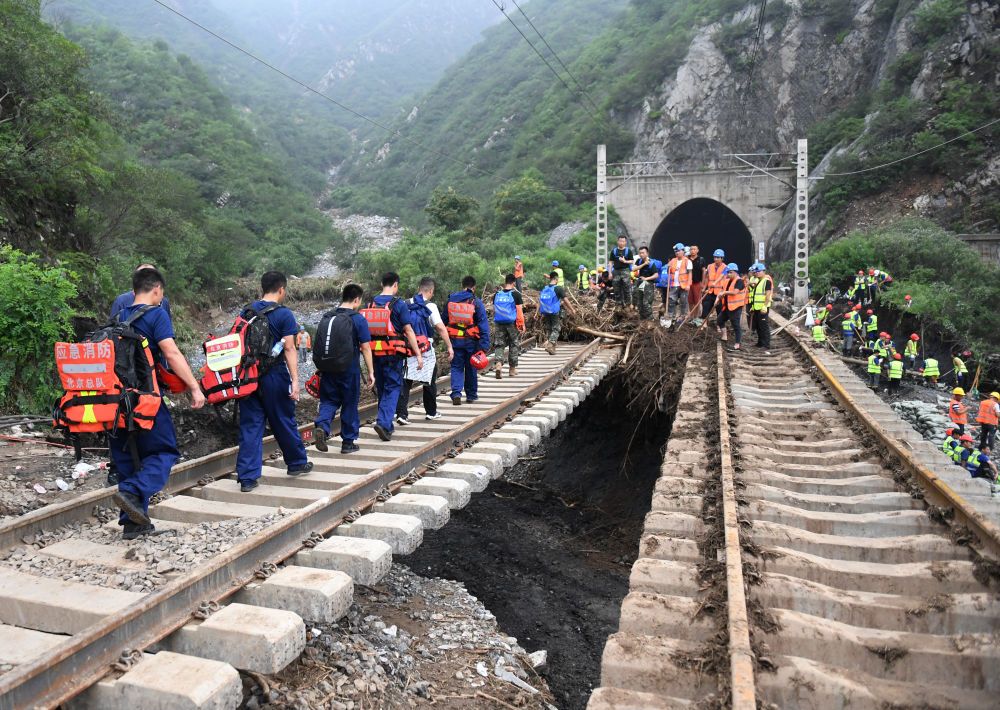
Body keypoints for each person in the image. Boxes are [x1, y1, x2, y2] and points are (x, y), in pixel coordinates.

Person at [109, 268, 204, 538]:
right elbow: (171, 353)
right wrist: (194, 387)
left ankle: (133, 524)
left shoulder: (116, 318)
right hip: (146, 401)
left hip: (117, 404)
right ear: (157, 289)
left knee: (129, 460)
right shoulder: (156, 314)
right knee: (164, 452)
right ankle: (132, 491)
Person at [236, 271, 312, 492]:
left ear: (262, 288)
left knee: (250, 425)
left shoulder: (246, 311)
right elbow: (289, 348)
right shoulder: (284, 315)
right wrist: (296, 381)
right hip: (274, 375)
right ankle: (296, 463)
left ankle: (248, 478)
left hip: (248, 375)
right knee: (282, 419)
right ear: (281, 289)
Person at [313, 284, 375, 454]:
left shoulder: (328, 316)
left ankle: (323, 425)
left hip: (327, 368)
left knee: (329, 401)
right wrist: (371, 372)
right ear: (356, 299)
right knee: (349, 403)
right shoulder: (357, 319)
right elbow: (366, 347)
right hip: (349, 369)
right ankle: (348, 442)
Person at [367, 272, 423, 441]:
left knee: (383, 388)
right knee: (393, 387)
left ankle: (387, 425)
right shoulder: (398, 304)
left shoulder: (371, 303)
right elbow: (408, 330)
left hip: (374, 353)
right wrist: (418, 355)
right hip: (392, 353)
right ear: (395, 285)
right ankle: (383, 423)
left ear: (382, 284)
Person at [396, 277, 454, 424]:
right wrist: (449, 346)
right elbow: (440, 328)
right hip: (425, 348)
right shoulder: (431, 306)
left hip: (408, 346)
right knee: (429, 380)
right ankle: (431, 412)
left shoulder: (405, 304)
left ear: (419, 288)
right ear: (430, 290)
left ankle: (402, 414)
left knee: (405, 380)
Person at [447, 276, 491, 405]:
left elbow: (443, 320)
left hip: (455, 340)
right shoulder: (476, 302)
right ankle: (471, 395)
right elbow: (483, 325)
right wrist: (484, 345)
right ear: (474, 287)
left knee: (456, 367)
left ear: (462, 285)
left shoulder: (451, 301)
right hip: (471, 341)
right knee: (471, 367)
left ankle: (456, 393)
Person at [491, 274, 525, 379]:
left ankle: (498, 365)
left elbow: (494, 309)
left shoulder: (497, 294)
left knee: (499, 344)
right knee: (514, 344)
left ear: (505, 282)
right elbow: (519, 311)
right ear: (514, 282)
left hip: (499, 322)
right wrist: (521, 324)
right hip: (512, 323)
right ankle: (512, 370)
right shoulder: (516, 294)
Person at [538, 271, 576, 354]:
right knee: (556, 328)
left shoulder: (545, 288)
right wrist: (572, 309)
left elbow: (539, 300)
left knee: (549, 328)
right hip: (554, 312)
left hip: (545, 311)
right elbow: (566, 300)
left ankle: (552, 349)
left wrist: (537, 312)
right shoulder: (558, 288)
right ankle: (550, 344)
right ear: (556, 279)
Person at [716, 263, 746, 350]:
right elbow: (721, 292)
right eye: (728, 272)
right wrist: (717, 300)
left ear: (736, 272)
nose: (729, 274)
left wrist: (724, 293)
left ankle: (737, 344)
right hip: (727, 307)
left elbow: (735, 292)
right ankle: (724, 336)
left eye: (731, 272)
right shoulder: (726, 281)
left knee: (736, 325)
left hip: (736, 307)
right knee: (719, 320)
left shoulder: (739, 281)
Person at [664, 243, 692, 326]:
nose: (677, 253)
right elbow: (666, 267)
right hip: (674, 284)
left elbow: (690, 273)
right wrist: (670, 268)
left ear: (683, 251)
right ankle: (670, 316)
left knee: (683, 301)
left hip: (683, 285)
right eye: (676, 251)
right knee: (671, 300)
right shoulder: (673, 260)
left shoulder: (687, 261)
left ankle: (683, 317)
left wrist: (688, 284)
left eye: (678, 251)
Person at [749, 262, 773, 351]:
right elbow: (756, 295)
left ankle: (766, 345)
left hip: (763, 308)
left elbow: (767, 295)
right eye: (756, 271)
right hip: (756, 308)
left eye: (759, 271)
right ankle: (760, 343)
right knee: (758, 326)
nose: (757, 273)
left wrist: (765, 306)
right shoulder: (759, 281)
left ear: (763, 271)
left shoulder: (767, 281)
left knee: (764, 326)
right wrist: (753, 306)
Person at [634, 246, 661, 321]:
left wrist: (646, 278)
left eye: (643, 253)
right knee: (640, 302)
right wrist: (643, 264)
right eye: (640, 253)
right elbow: (633, 269)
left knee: (646, 303)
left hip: (648, 284)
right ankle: (642, 319)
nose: (641, 254)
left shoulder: (651, 263)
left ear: (647, 253)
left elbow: (656, 275)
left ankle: (651, 319)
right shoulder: (639, 261)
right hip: (641, 283)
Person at [610, 236, 635, 308]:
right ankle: (619, 304)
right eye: (620, 241)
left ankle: (628, 304)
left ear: (625, 242)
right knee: (616, 288)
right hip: (616, 271)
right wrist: (609, 273)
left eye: (623, 241)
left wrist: (625, 261)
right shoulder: (614, 251)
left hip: (625, 271)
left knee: (627, 288)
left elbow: (632, 261)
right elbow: (611, 262)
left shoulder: (628, 251)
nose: (621, 243)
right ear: (617, 241)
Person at [702, 250, 727, 318]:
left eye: (718, 257)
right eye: (715, 257)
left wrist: (715, 283)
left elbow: (722, 276)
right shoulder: (710, 266)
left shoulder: (725, 267)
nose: (716, 259)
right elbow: (707, 278)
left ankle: (719, 325)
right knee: (706, 306)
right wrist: (704, 288)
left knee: (719, 309)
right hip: (710, 291)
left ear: (722, 258)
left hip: (720, 292)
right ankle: (705, 323)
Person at [687, 244, 706, 319]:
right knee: (690, 301)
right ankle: (691, 315)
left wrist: (703, 283)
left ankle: (696, 316)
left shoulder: (701, 260)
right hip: (688, 283)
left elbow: (704, 271)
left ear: (697, 250)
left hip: (697, 283)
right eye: (691, 249)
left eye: (694, 249)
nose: (692, 251)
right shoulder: (687, 259)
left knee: (697, 301)